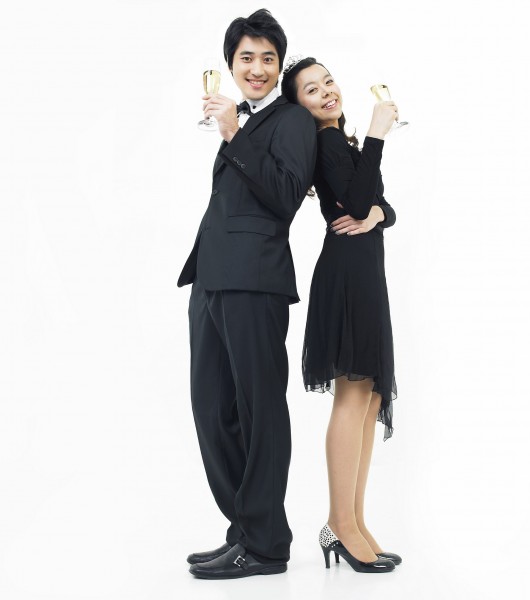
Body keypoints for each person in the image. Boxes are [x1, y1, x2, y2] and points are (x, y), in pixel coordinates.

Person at [177, 10, 316, 579]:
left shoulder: (293, 120)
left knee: (261, 412)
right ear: (230, 64)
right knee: (211, 409)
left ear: (279, 65)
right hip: (211, 277)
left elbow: (285, 196)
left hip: (256, 279)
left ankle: (266, 544)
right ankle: (246, 527)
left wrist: (234, 133)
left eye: (267, 58)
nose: (256, 68)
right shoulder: (246, 118)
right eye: (246, 58)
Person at [281, 56, 402, 573]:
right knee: (353, 398)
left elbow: (378, 206)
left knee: (369, 400)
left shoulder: (341, 143)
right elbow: (355, 202)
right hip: (349, 276)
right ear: (300, 107)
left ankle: (354, 519)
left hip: (364, 273)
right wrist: (377, 134)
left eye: (328, 81)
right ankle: (339, 524)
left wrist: (377, 214)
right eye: (312, 90)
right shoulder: (328, 142)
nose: (327, 91)